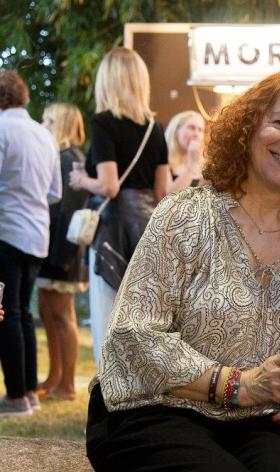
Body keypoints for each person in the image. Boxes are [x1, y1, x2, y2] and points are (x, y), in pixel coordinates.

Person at [85, 70, 280, 471]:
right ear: (248, 127)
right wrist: (239, 385)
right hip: (159, 410)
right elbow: (132, 337)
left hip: (263, 421)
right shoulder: (185, 213)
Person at [69, 47, 171, 365]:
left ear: (107, 81)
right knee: (143, 318)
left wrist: (81, 179)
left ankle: (110, 386)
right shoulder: (155, 128)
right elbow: (162, 191)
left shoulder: (103, 123)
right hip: (148, 230)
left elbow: (109, 186)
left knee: (108, 316)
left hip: (113, 231)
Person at [0, 69, 62, 416]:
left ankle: (15, 397)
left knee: (6, 312)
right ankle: (29, 392)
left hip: (7, 230)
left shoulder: (2, 129)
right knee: (23, 313)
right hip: (38, 234)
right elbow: (54, 192)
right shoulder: (44, 134)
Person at [35, 103, 90, 401]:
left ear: (62, 124)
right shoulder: (61, 156)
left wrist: (61, 256)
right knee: (48, 311)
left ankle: (66, 384)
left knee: (62, 314)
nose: (42, 125)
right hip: (53, 247)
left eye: (48, 120)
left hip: (62, 250)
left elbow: (69, 213)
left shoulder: (70, 159)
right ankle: (54, 377)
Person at [165, 110, 206, 193]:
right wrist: (192, 166)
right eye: (191, 128)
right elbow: (167, 197)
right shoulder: (164, 161)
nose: (196, 134)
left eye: (200, 130)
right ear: (176, 131)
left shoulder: (205, 164)